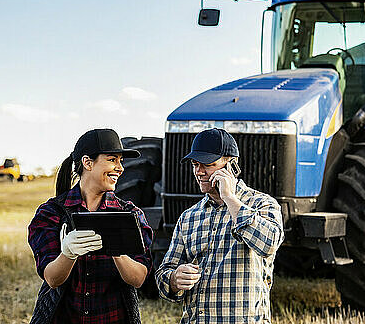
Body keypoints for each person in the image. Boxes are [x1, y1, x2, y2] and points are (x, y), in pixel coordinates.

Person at [155, 128, 284, 323]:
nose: (198, 172)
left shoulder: (263, 204)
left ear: (230, 165)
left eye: (207, 164)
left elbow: (269, 244)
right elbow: (164, 273)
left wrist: (230, 198)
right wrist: (174, 279)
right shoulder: (188, 217)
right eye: (195, 164)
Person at [28, 129, 153, 324]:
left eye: (121, 161)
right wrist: (67, 254)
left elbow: (138, 279)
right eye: (112, 159)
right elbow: (52, 279)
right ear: (87, 163)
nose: (120, 168)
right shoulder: (51, 213)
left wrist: (116, 248)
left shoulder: (131, 215)